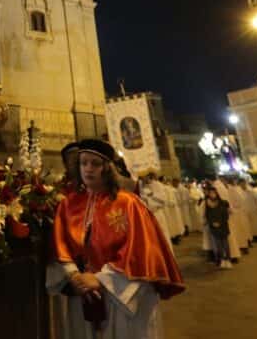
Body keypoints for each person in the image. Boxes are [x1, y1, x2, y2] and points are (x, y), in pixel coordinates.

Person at [47, 139, 184, 338]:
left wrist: (100, 280)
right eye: (83, 163)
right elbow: (60, 246)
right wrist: (74, 277)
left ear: (107, 168)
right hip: (81, 293)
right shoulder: (68, 205)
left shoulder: (128, 203)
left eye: (95, 163)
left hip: (120, 296)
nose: (88, 169)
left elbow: (139, 252)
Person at [203, 185, 232, 269]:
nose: (212, 194)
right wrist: (212, 223)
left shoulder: (223, 203)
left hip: (223, 226)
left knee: (225, 244)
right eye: (211, 193)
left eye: (214, 192)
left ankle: (227, 260)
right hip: (214, 227)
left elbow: (226, 215)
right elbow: (207, 215)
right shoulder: (207, 204)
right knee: (217, 246)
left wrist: (220, 222)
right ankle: (220, 260)